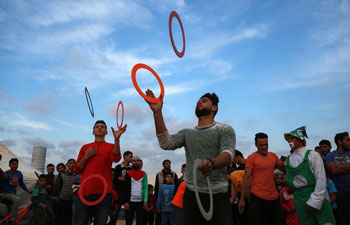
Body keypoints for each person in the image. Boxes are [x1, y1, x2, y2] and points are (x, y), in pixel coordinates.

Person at [145, 91, 236, 225]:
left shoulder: (224, 129)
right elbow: (166, 143)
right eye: (198, 100)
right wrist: (157, 112)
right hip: (191, 195)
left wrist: (211, 163)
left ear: (214, 107)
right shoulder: (187, 133)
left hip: (218, 194)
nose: (199, 102)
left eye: (204, 100)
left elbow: (228, 155)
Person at [74, 120, 126, 225]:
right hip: (85, 191)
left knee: (101, 222)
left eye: (102, 126)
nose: (99, 128)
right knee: (80, 222)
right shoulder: (85, 147)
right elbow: (77, 169)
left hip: (104, 191)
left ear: (106, 132)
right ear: (93, 131)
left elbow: (116, 158)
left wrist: (117, 139)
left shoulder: (111, 146)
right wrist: (86, 156)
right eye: (97, 126)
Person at [285, 126, 335, 225]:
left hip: (317, 194)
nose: (289, 141)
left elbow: (321, 179)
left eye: (292, 138)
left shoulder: (313, 155)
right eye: (288, 139)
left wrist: (314, 201)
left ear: (300, 139)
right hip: (299, 198)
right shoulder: (288, 159)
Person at [238, 132, 285, 225]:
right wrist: (242, 199)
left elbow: (285, 169)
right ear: (256, 145)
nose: (264, 147)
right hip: (257, 198)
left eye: (266, 144)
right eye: (261, 145)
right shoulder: (252, 158)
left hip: (274, 197)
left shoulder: (273, 156)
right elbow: (246, 178)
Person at [326, 132, 350, 225]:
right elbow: (334, 170)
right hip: (340, 190)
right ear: (339, 142)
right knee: (345, 217)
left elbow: (336, 168)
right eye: (347, 140)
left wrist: (339, 166)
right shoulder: (330, 155)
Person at [3, 158, 30, 225]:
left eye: (17, 164)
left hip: (13, 194)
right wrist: (8, 191)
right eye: (14, 164)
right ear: (9, 165)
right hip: (5, 193)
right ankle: (13, 219)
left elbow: (21, 183)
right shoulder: (5, 174)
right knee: (17, 199)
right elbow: (3, 185)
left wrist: (26, 190)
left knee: (11, 210)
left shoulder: (19, 174)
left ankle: (10, 221)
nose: (15, 165)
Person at [124, 156, 148, 225]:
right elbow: (125, 188)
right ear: (132, 163)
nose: (136, 162)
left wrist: (145, 201)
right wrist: (125, 202)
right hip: (130, 201)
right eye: (134, 161)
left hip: (141, 201)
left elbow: (145, 187)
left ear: (140, 162)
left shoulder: (144, 174)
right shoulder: (128, 174)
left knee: (140, 221)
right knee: (129, 221)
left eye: (137, 160)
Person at [111, 151, 133, 225]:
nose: (131, 158)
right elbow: (116, 180)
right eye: (130, 156)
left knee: (129, 216)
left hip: (129, 195)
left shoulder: (132, 168)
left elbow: (132, 181)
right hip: (119, 194)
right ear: (125, 156)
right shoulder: (118, 167)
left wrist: (124, 179)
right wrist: (127, 179)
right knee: (115, 215)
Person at [154, 159, 178, 225]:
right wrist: (158, 205)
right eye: (167, 164)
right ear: (163, 165)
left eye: (169, 163)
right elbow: (156, 187)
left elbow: (177, 189)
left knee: (172, 222)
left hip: (172, 207)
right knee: (161, 221)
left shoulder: (174, 174)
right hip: (163, 203)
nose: (168, 165)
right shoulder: (159, 174)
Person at [55, 159, 76, 225]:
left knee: (70, 218)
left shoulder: (77, 175)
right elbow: (58, 187)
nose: (72, 164)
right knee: (61, 218)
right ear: (67, 164)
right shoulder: (62, 175)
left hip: (72, 200)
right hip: (62, 200)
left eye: (74, 163)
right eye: (70, 163)